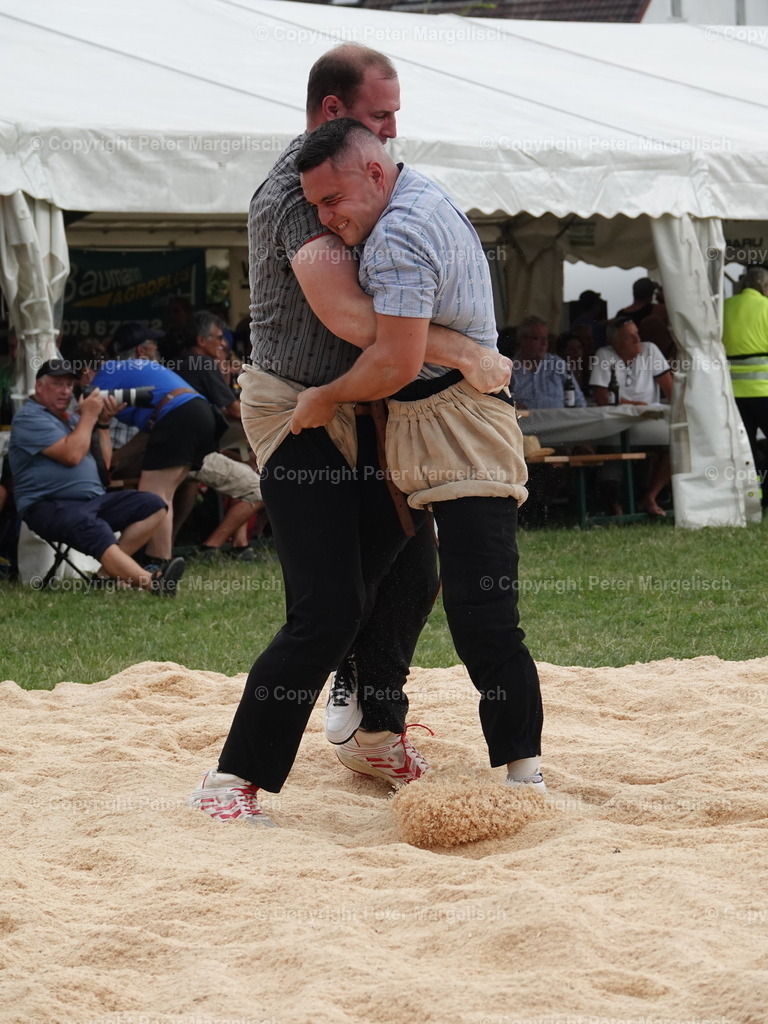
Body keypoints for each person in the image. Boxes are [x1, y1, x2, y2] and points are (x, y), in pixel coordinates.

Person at [189, 44, 512, 827]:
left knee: (412, 573)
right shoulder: (296, 194)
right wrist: (467, 351)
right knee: (329, 606)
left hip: (367, 408)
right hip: (298, 408)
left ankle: (373, 731)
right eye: (380, 114)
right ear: (334, 112)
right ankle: (231, 780)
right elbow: (350, 317)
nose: (393, 130)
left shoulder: (372, 183)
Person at [291, 118, 544, 795]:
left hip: (460, 428)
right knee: (366, 581)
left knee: (482, 611)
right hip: (416, 422)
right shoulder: (416, 194)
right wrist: (460, 350)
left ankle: (523, 773)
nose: (325, 217)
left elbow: (394, 363)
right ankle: (367, 700)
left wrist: (324, 396)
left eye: (333, 200)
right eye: (315, 205)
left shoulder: (398, 235)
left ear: (376, 173)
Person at [8, 359, 183, 594]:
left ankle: (104, 575)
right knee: (91, 526)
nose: (65, 391)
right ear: (39, 386)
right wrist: (89, 416)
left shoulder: (73, 420)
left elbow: (106, 467)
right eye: (57, 384)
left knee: (153, 505)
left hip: (92, 501)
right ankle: (154, 583)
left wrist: (102, 424)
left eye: (69, 385)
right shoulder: (29, 418)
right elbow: (71, 455)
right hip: (48, 505)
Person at [92, 329, 222, 561]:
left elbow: (82, 417)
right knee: (163, 494)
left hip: (180, 414)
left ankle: (154, 562)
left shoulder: (103, 376)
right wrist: (116, 459)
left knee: (154, 496)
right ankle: (160, 561)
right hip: (199, 412)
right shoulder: (133, 372)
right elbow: (148, 434)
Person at [174, 311, 265, 559]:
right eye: (219, 337)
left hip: (176, 453)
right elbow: (234, 409)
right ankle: (211, 546)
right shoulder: (202, 363)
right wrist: (269, 417)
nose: (224, 343)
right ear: (201, 340)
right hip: (198, 454)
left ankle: (167, 551)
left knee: (236, 470)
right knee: (261, 486)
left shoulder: (181, 362)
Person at [589, 316, 674, 517]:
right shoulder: (604, 355)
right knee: (610, 452)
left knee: (679, 442)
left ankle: (651, 497)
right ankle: (614, 504)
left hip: (649, 422)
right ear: (614, 342)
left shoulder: (650, 350)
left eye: (637, 334)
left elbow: (671, 391)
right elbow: (602, 398)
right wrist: (636, 405)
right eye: (629, 337)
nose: (637, 340)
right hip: (617, 424)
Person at [722, 266, 768, 483]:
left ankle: (752, 492)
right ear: (764, 286)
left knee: (745, 447)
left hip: (733, 394)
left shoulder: (725, 307)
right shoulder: (766, 307)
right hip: (764, 389)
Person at [513, 315, 586, 409]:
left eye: (546, 338)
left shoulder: (558, 364)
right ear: (523, 340)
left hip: (558, 418)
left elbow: (579, 401)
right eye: (537, 338)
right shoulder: (510, 369)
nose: (544, 343)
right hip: (524, 419)